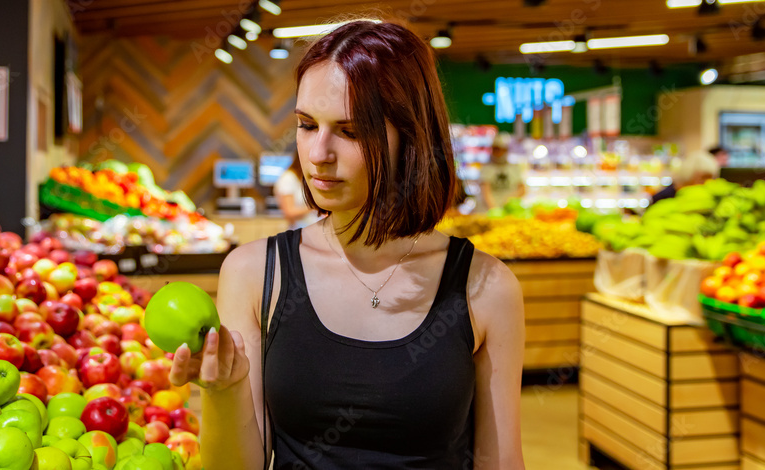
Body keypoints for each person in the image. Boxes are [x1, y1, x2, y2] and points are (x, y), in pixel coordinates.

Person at [169, 20, 526, 469]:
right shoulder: (254, 273)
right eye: (305, 125)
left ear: (411, 137)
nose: (318, 153)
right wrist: (223, 391)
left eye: (350, 131)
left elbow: (501, 461)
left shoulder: (485, 286)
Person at [273, 153, 322, 229]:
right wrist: (314, 207)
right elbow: (289, 212)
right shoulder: (288, 178)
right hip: (298, 229)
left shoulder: (300, 178)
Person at [479, 132, 525, 211]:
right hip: (489, 212)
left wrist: (511, 199)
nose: (499, 153)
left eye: (501, 149)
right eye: (496, 149)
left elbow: (522, 189)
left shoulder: (514, 168)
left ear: (506, 150)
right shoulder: (486, 169)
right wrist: (494, 209)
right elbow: (486, 191)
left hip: (509, 211)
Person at [651, 152, 721, 205]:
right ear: (688, 176)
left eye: (711, 178)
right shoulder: (663, 198)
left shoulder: (711, 199)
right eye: (704, 178)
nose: (708, 182)